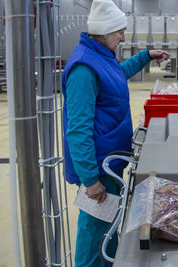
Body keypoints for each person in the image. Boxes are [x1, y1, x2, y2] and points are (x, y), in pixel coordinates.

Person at [61, 0, 170, 266]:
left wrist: (145, 57)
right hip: (98, 168)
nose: (123, 36)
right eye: (119, 31)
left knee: (107, 228)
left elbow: (116, 75)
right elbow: (77, 129)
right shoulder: (84, 69)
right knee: (95, 234)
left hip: (109, 162)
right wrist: (89, 179)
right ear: (105, 30)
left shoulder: (100, 56)